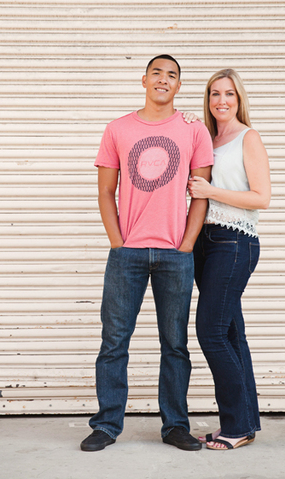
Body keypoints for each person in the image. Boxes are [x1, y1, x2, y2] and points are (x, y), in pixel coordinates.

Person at [80, 55, 214, 452]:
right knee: (114, 342)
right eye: (157, 72)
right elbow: (105, 190)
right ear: (143, 80)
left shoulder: (194, 130)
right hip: (128, 255)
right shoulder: (118, 128)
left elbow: (201, 194)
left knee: (174, 344)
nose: (163, 79)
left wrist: (187, 244)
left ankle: (175, 425)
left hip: (176, 255)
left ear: (178, 86)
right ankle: (106, 425)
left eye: (172, 75)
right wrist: (117, 242)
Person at [186, 68, 271, 450]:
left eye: (229, 94)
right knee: (232, 334)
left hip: (234, 242)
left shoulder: (247, 138)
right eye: (214, 94)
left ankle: (235, 426)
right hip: (206, 241)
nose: (221, 100)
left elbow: (261, 198)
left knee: (211, 333)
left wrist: (211, 190)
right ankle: (244, 424)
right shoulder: (209, 138)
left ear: (239, 100)